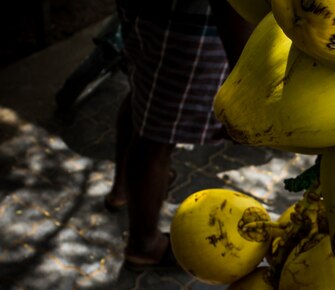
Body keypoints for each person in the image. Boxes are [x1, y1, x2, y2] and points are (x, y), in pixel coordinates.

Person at [104, 0, 254, 270]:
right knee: (156, 138)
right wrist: (244, 76)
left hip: (150, 14)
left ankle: (122, 190)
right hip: (189, 25)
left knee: (142, 98)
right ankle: (144, 244)